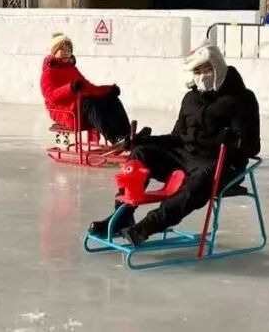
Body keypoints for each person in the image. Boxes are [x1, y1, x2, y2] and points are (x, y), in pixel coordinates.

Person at [88, 42, 260, 246]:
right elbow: (177, 137)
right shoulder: (190, 98)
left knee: (201, 180)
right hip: (185, 155)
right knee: (142, 153)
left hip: (219, 163)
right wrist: (143, 141)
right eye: (198, 70)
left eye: (208, 69)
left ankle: (148, 226)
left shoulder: (242, 99)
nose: (203, 75)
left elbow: (252, 146)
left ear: (218, 67)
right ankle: (121, 216)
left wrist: (235, 142)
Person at [41, 33, 137, 149]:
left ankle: (127, 135)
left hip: (77, 108)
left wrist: (108, 90)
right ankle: (115, 139)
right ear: (54, 51)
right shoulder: (49, 72)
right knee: (88, 103)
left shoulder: (72, 69)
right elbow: (51, 95)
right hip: (64, 112)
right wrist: (70, 88)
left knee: (111, 99)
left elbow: (89, 88)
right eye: (63, 49)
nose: (66, 52)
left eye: (69, 49)